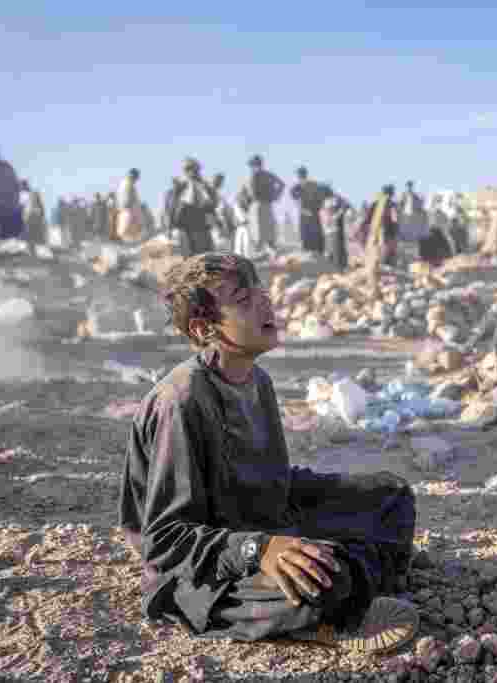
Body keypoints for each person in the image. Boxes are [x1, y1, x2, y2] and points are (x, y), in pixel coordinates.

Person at [118, 252, 418, 651]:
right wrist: (257, 549)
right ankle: (336, 597)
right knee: (330, 581)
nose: (265, 303)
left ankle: (352, 572)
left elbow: (271, 481)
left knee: (390, 496)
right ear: (204, 328)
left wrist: (340, 495)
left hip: (264, 520)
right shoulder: (181, 401)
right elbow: (165, 539)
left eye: (260, 291)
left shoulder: (257, 381)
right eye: (244, 301)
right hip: (202, 566)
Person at [243, 155, 285, 254]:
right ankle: (270, 249)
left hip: (257, 204)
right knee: (268, 228)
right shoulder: (268, 174)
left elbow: (250, 192)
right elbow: (281, 185)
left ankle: (261, 251)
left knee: (258, 230)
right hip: (267, 203)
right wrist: (275, 196)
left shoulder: (253, 175)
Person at [175, 158, 218, 256]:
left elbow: (211, 206)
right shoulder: (182, 187)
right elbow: (176, 210)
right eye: (193, 169)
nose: (196, 172)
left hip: (201, 228)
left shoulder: (203, 186)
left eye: (196, 170)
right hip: (189, 229)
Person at [362, 185, 400, 295]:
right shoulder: (391, 204)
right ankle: (385, 280)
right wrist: (396, 231)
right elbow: (395, 219)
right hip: (387, 234)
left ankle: (374, 278)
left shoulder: (375, 203)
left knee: (375, 257)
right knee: (387, 258)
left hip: (374, 234)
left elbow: (367, 218)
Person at [290, 166, 327, 254]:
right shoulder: (313, 185)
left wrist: (302, 209)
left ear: (299, 176)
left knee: (308, 234)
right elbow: (321, 198)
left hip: (306, 212)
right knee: (315, 233)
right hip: (312, 212)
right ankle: (317, 252)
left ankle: (311, 253)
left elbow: (295, 199)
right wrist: (317, 209)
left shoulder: (297, 187)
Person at [321, 191, 351, 271]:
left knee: (336, 251)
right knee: (335, 251)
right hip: (332, 231)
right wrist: (340, 211)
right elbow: (330, 218)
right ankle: (337, 268)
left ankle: (339, 267)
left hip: (332, 231)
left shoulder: (328, 205)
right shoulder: (328, 206)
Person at [116, 169, 144, 242]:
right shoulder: (127, 184)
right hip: (127, 209)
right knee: (127, 229)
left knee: (125, 228)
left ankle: (127, 241)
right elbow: (127, 198)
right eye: (136, 178)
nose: (136, 180)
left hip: (124, 209)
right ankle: (127, 242)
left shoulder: (125, 183)